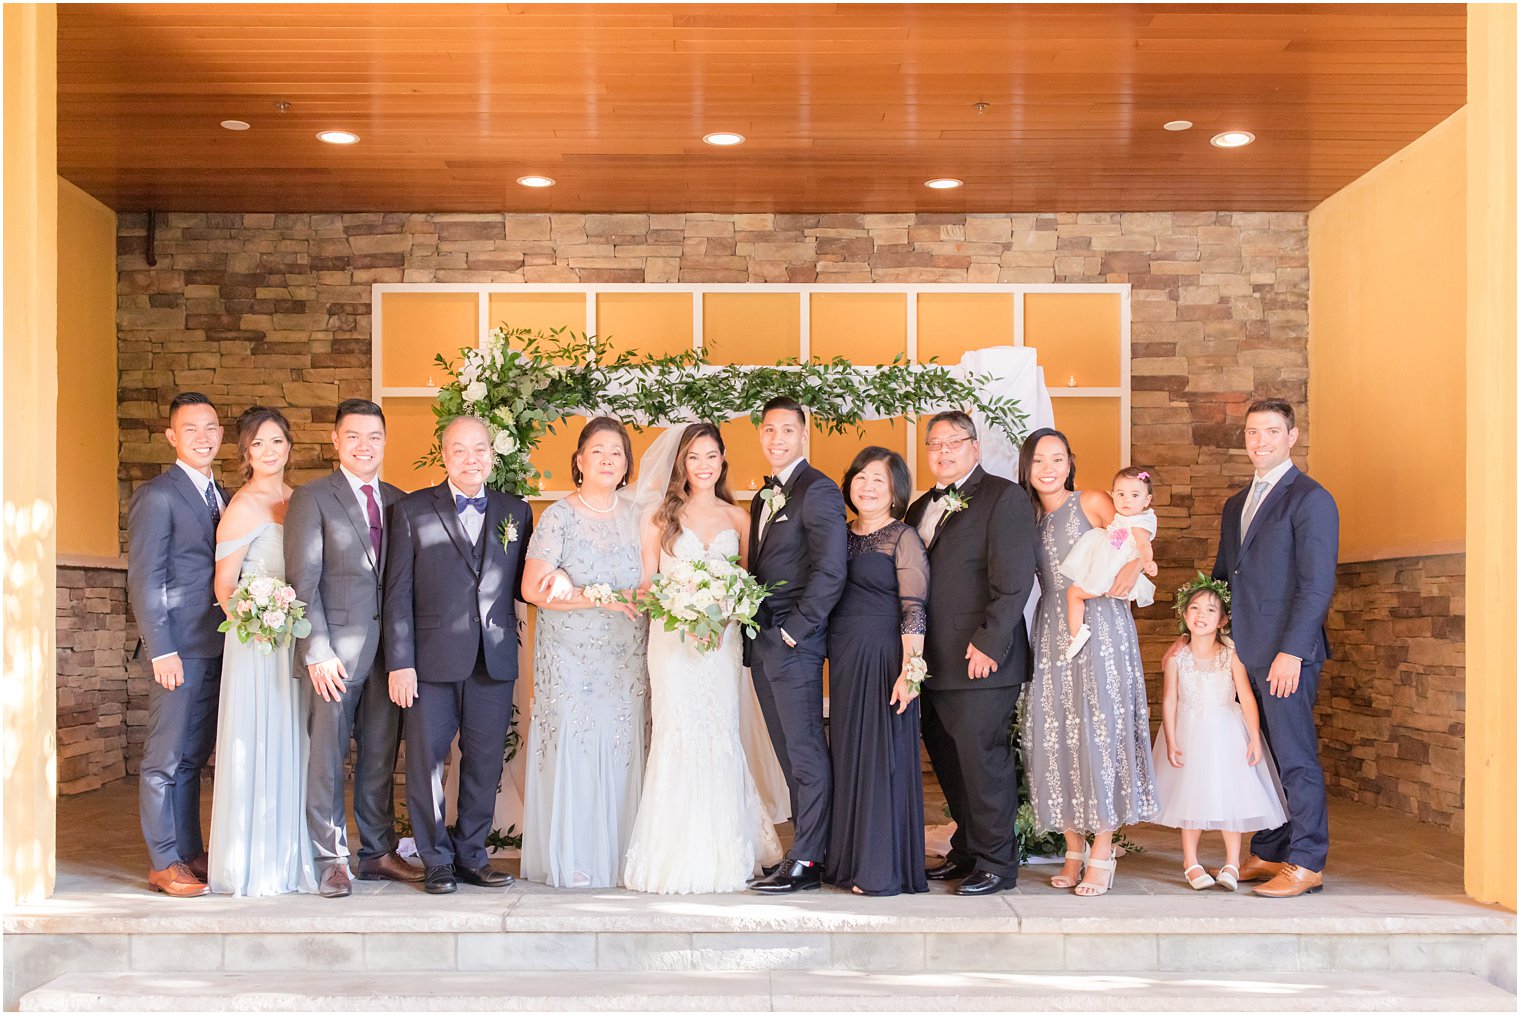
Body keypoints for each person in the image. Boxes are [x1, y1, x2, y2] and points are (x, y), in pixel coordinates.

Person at [623, 423, 783, 894]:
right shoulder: (659, 517)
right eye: (694, 457)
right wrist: (684, 612)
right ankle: (673, 851)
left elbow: (749, 584)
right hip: (673, 643)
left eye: (711, 456)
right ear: (682, 464)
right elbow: (648, 584)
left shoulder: (738, 519)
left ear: (723, 459)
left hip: (721, 646)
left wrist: (724, 613)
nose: (704, 465)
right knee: (677, 733)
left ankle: (725, 847)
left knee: (719, 731)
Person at [384, 415, 534, 895]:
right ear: (444, 455)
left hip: (492, 659)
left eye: (480, 449)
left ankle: (471, 854)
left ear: (493, 454)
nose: (471, 458)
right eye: (460, 450)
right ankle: (435, 860)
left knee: (485, 761)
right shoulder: (411, 510)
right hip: (428, 663)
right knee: (427, 762)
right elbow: (397, 593)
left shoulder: (517, 511)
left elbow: (523, 584)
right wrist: (399, 662)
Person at [1205, 398, 1338, 898]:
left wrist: (1293, 652)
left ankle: (1307, 861)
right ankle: (1272, 848)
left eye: (1270, 431)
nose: (1259, 441)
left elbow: (1316, 585)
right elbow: (1224, 576)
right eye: (1251, 432)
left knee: (1296, 756)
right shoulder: (1237, 504)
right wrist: (1203, 629)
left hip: (1286, 655)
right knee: (1264, 758)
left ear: (1292, 436)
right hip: (1244, 652)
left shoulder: (1311, 499)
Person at [285, 398, 417, 898]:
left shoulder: (401, 501)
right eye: (354, 436)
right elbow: (303, 581)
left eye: (375, 437)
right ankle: (330, 858)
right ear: (336, 441)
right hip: (334, 655)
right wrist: (316, 648)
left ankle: (377, 853)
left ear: (386, 442)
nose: (365, 445)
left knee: (381, 755)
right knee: (327, 756)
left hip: (389, 656)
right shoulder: (313, 497)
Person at [1020, 427, 1158, 898]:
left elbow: (1138, 530)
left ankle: (1103, 849)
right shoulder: (1029, 518)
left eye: (1058, 459)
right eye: (1039, 460)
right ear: (1027, 467)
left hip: (1101, 621)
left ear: (1070, 463)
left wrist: (1135, 565)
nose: (1049, 468)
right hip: (1054, 625)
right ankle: (1072, 847)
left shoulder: (1093, 501)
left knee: (1101, 728)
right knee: (1058, 730)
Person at [904, 411, 1037, 897]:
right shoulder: (920, 506)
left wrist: (988, 643)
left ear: (974, 448)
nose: (942, 451)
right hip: (932, 662)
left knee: (984, 763)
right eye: (934, 444)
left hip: (981, 659)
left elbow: (1014, 581)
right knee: (949, 761)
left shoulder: (1003, 497)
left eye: (952, 443)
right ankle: (967, 850)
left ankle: (998, 864)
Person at [519, 417, 649, 888]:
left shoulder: (641, 516)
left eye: (616, 452)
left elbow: (650, 582)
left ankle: (621, 856)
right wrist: (596, 597)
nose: (608, 459)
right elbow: (532, 588)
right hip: (570, 659)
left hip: (627, 659)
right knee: (575, 744)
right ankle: (574, 856)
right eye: (597, 451)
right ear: (578, 460)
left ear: (627, 463)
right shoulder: (559, 516)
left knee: (622, 747)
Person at [207, 407, 318, 896]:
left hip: (294, 638)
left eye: (276, 442)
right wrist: (257, 619)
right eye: (258, 444)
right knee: (255, 739)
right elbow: (224, 585)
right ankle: (252, 860)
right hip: (255, 643)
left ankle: (290, 854)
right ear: (245, 453)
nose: (269, 451)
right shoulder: (242, 507)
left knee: (293, 738)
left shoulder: (301, 501)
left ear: (289, 447)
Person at [745, 397, 848, 895]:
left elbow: (832, 569)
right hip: (763, 643)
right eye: (769, 430)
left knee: (805, 751)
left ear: (804, 435)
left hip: (795, 642)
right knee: (788, 753)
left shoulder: (819, 490)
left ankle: (808, 859)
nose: (777, 438)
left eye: (787, 430)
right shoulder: (761, 498)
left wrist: (795, 630)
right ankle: (808, 849)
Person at [127, 392, 228, 897]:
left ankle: (190, 851)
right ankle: (164, 860)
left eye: (210, 428)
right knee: (164, 758)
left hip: (216, 646)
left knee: (193, 757)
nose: (203, 437)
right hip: (178, 650)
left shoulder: (223, 495)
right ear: (172, 437)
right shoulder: (158, 495)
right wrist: (160, 648)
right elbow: (145, 578)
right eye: (191, 429)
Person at [824, 447, 930, 897]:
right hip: (844, 659)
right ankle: (847, 861)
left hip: (885, 654)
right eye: (861, 477)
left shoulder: (903, 537)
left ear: (895, 492)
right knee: (848, 756)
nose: (867, 487)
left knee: (880, 759)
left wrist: (911, 671)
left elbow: (914, 609)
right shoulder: (838, 533)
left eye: (879, 481)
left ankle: (879, 869)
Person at [1152, 575, 1286, 892]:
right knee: (1191, 795)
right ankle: (1191, 861)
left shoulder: (1231, 655)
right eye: (1195, 608)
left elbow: (1246, 697)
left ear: (1223, 619)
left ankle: (1231, 862)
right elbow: (1170, 699)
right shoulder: (1177, 659)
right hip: (1189, 731)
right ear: (1184, 615)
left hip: (1227, 730)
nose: (1201, 615)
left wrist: (1254, 736)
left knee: (1231, 795)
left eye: (1211, 610)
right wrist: (1170, 739)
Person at [1060, 466, 1159, 660]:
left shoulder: (1139, 522)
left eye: (1135, 495)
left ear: (1147, 500)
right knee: (1075, 593)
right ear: (1112, 495)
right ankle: (1077, 633)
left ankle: (1076, 635)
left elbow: (1144, 543)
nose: (1127, 500)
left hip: (1110, 573)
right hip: (1107, 564)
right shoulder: (1122, 518)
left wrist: (1147, 561)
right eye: (1121, 494)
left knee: (1074, 593)